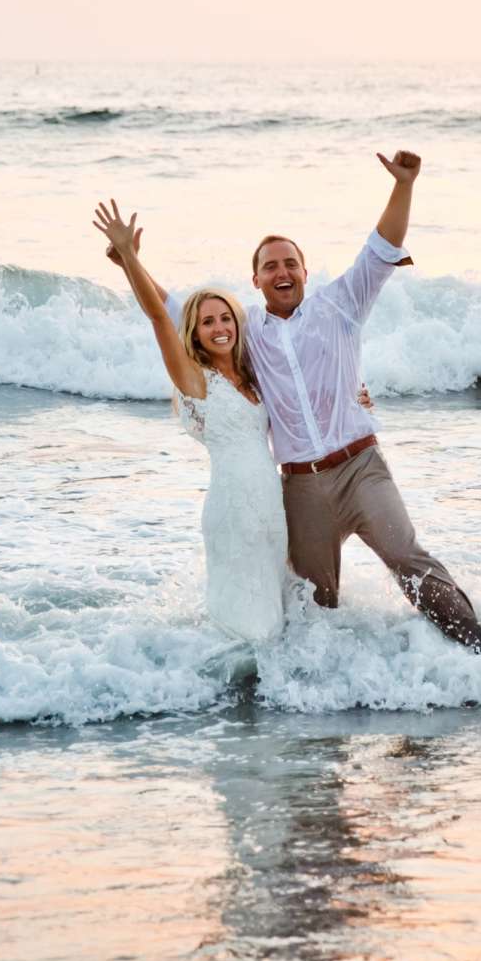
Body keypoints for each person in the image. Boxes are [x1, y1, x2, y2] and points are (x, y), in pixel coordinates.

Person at [110, 152, 481, 655]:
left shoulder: (341, 304)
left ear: (306, 271)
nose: (281, 271)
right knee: (317, 603)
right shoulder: (245, 332)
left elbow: (381, 249)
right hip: (300, 488)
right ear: (256, 281)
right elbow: (175, 314)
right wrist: (131, 262)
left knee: (408, 557)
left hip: (362, 468)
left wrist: (404, 185)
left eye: (290, 262)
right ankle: (326, 700)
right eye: (270, 266)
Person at [93, 200, 287, 644]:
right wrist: (129, 259)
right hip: (233, 510)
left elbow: (173, 304)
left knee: (275, 615)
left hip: (271, 508)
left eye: (225, 318)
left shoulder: (250, 374)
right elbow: (161, 315)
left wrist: (355, 393)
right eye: (206, 322)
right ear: (194, 333)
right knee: (247, 630)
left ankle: (269, 705)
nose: (219, 327)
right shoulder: (195, 379)